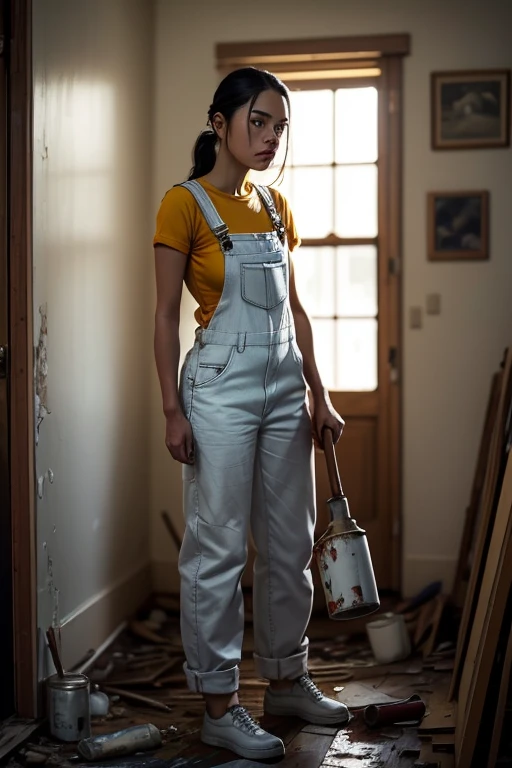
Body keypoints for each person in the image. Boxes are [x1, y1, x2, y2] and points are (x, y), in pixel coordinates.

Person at [153, 67, 349, 761]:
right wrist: (172, 410)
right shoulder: (184, 204)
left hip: (283, 387)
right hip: (218, 392)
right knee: (218, 546)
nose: (270, 138)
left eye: (279, 127)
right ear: (220, 124)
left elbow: (297, 310)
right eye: (258, 122)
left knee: (292, 546)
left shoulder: (275, 209)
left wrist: (319, 394)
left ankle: (288, 679)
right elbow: (163, 315)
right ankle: (219, 704)